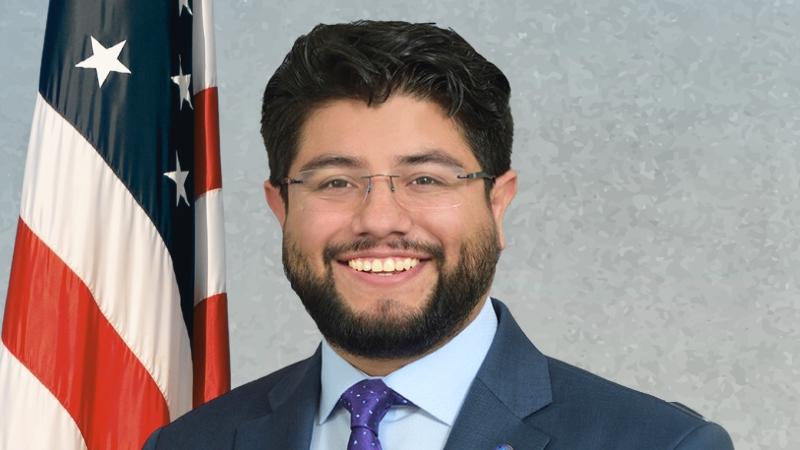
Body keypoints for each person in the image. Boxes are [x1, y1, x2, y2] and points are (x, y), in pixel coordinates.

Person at [144, 20, 734, 450]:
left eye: (424, 178)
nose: (380, 219)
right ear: (281, 207)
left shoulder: (660, 444)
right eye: (335, 182)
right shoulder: (190, 444)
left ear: (497, 204)